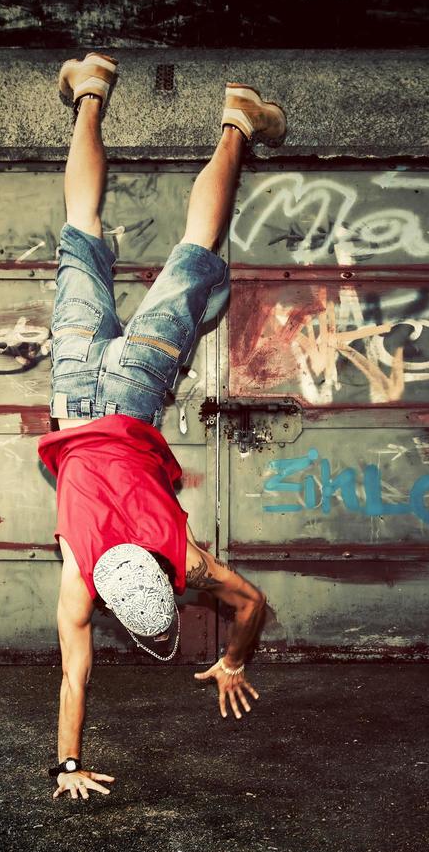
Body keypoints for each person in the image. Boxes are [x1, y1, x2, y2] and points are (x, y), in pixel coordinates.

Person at [35, 53, 287, 801]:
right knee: (80, 232)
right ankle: (89, 93)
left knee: (192, 251)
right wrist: (67, 767)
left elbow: (250, 606)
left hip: (137, 387)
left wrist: (236, 656)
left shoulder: (181, 555)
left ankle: (236, 122)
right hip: (78, 387)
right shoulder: (80, 577)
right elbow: (73, 671)